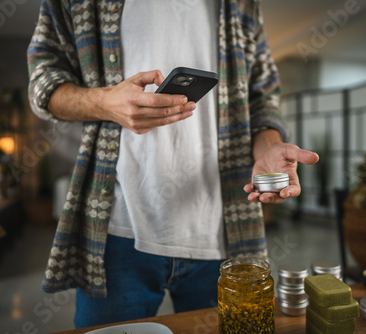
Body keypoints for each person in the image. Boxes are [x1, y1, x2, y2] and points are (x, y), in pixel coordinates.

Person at [27, 0, 319, 328]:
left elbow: (263, 97)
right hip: (115, 233)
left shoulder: (243, 5)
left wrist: (269, 148)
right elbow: (43, 80)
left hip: (224, 232)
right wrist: (106, 103)